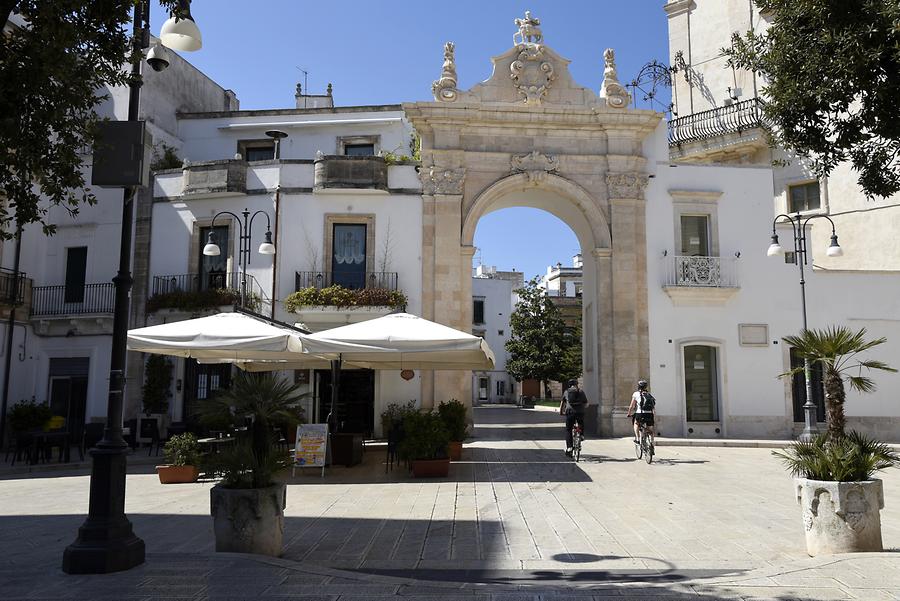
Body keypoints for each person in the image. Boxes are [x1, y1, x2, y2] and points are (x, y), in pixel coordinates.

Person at [559, 379, 587, 456]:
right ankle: (581, 435)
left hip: (570, 412)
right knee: (581, 422)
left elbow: (562, 403)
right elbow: (586, 403)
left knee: (568, 429)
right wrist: (583, 409)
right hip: (580, 412)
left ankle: (569, 448)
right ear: (576, 384)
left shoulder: (566, 392)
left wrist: (561, 412)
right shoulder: (581, 391)